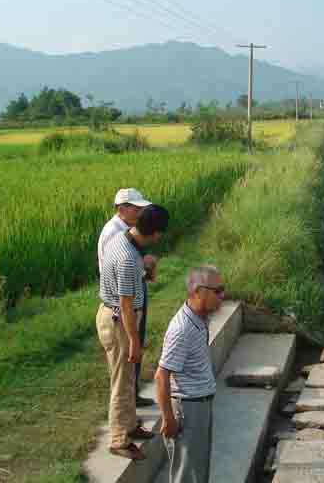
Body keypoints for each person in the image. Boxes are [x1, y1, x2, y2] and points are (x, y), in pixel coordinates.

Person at [97, 204, 169, 460]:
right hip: (119, 322)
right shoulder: (128, 258)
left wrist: (144, 265)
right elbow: (127, 306)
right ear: (156, 233)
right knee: (121, 382)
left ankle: (129, 426)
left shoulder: (122, 237)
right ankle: (118, 440)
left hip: (113, 315)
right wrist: (135, 342)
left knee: (127, 379)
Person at [155, 266, 225, 483]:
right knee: (187, 476)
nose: (223, 296)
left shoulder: (200, 318)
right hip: (188, 409)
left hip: (199, 406)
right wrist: (168, 418)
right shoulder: (182, 329)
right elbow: (161, 375)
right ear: (197, 291)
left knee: (197, 473)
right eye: (218, 290)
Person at [97, 188, 156, 408]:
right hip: (122, 298)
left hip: (130, 290)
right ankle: (127, 403)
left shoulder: (125, 228)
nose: (140, 213)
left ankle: (132, 394)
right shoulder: (115, 232)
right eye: (136, 208)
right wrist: (144, 267)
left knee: (134, 347)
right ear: (121, 209)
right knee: (129, 349)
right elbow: (118, 271)